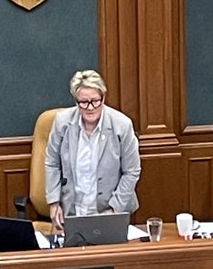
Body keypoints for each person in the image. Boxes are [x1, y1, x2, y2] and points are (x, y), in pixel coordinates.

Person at [44, 69, 141, 232]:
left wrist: (114, 210)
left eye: (95, 101)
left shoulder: (122, 125)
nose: (90, 107)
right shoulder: (62, 122)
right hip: (72, 213)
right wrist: (54, 202)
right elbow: (52, 163)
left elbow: (132, 171)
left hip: (110, 211)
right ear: (76, 101)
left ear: (103, 98)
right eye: (84, 102)